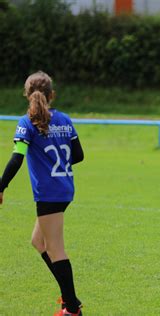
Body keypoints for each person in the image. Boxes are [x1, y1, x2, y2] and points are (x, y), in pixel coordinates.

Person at [0, 71, 84, 315]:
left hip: (49, 193)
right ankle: (70, 297)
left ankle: (72, 308)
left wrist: (1, 185)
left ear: (27, 95)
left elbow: (17, 157)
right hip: (64, 188)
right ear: (52, 95)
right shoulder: (65, 119)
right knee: (38, 242)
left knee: (55, 248)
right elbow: (78, 155)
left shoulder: (27, 122)